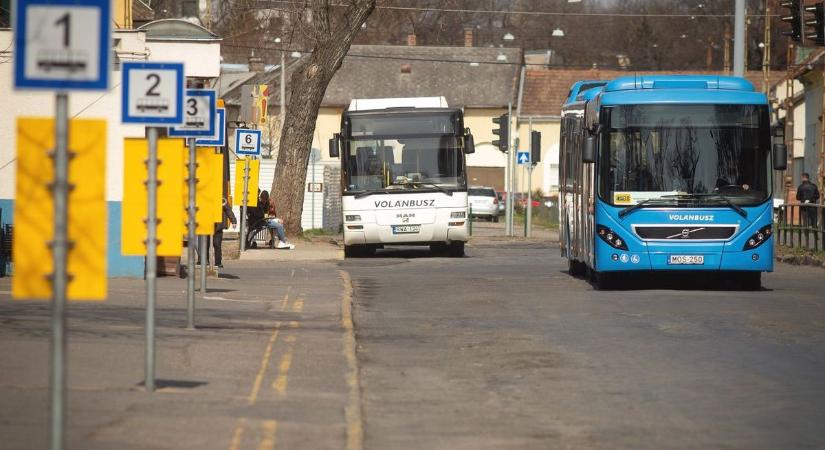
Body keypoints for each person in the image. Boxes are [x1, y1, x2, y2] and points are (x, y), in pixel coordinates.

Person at [213, 197, 237, 268]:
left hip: (218, 226)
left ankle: (218, 262)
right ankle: (204, 261)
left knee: (217, 244)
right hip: (207, 225)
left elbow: (228, 210)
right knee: (205, 245)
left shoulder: (221, 199)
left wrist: (233, 221)